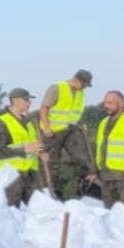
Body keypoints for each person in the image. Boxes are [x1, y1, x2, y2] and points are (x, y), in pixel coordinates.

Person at [88, 90, 124, 222]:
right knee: (112, 219)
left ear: (121, 103)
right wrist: (94, 171)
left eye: (110, 103)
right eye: (105, 103)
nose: (106, 106)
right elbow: (100, 150)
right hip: (107, 179)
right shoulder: (103, 122)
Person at [39, 69, 94, 200]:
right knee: (53, 162)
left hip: (71, 129)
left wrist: (78, 124)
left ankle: (82, 187)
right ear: (75, 79)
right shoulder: (56, 88)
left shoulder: (80, 93)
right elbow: (44, 108)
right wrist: (46, 128)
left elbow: (72, 111)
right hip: (53, 132)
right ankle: (55, 192)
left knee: (81, 157)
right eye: (84, 84)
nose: (85, 87)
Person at [0, 89, 44, 206]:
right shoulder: (3, 122)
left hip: (31, 174)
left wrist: (41, 152)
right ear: (14, 101)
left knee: (38, 211)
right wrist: (24, 149)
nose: (29, 103)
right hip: (12, 176)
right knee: (12, 213)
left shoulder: (29, 122)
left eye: (29, 100)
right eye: (25, 100)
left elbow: (32, 145)